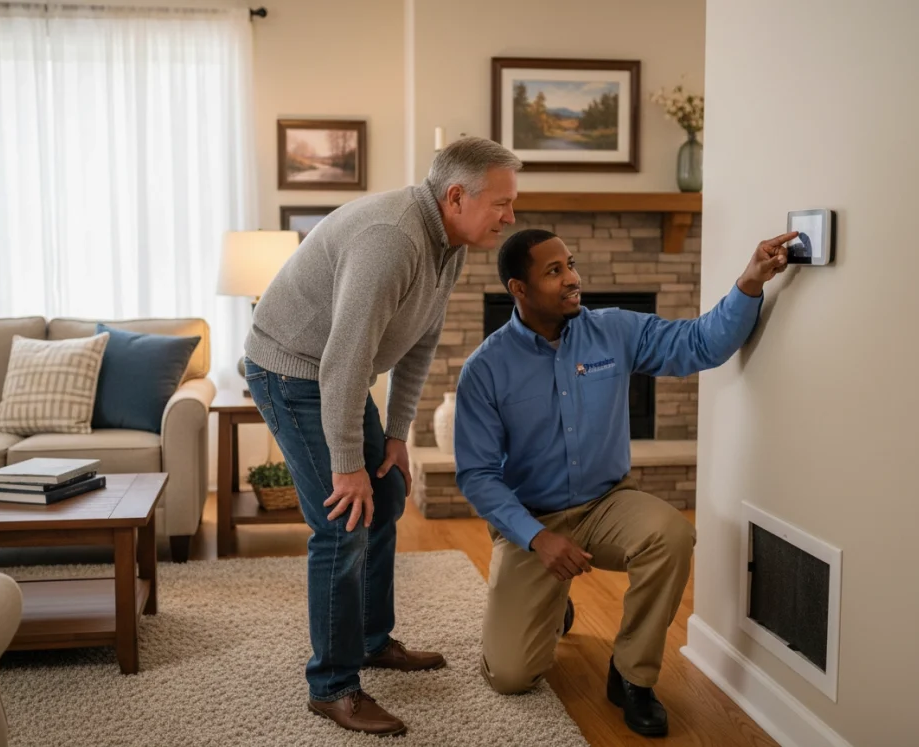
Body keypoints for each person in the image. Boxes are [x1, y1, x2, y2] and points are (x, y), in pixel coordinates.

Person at [453, 227, 795, 737]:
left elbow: (701, 344)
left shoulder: (613, 330)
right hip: (533, 521)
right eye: (554, 271)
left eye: (570, 264)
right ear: (517, 289)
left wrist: (749, 282)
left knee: (672, 533)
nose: (572, 279)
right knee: (511, 675)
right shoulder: (486, 369)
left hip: (606, 502)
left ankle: (631, 675)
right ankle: (552, 601)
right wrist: (537, 538)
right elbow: (477, 475)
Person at [242, 137, 522, 737]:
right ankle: (333, 685)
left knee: (387, 493)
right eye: (502, 203)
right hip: (291, 369)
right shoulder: (392, 240)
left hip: (336, 371)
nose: (510, 216)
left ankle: (371, 639)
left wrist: (396, 437)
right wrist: (346, 464)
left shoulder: (450, 243)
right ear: (456, 196)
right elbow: (343, 360)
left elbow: (420, 341)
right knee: (343, 518)